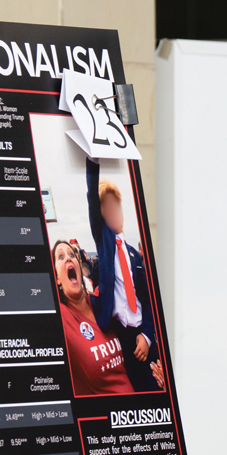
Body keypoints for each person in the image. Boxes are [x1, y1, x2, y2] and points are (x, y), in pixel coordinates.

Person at [85, 159, 160, 392]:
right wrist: (92, 161)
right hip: (123, 339)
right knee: (137, 391)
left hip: (145, 336)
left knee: (158, 386)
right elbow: (91, 197)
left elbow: (148, 302)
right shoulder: (105, 244)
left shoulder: (134, 256)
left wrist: (147, 336)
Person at [53, 238, 135, 397]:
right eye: (61, 257)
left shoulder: (98, 302)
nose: (69, 257)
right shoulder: (62, 317)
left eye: (72, 254)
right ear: (56, 278)